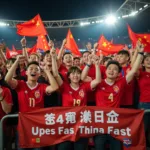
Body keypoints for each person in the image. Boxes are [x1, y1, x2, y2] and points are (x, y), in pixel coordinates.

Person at [81, 41, 144, 150]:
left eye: (115, 69)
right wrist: (91, 63)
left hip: (115, 124)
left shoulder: (121, 82)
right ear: (105, 71)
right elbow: (83, 77)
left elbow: (133, 70)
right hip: (100, 125)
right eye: (109, 68)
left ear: (118, 73)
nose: (111, 71)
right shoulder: (98, 82)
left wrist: (140, 54)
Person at [51, 49, 101, 150]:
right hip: (66, 125)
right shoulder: (64, 87)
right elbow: (56, 74)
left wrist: (96, 64)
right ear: (68, 76)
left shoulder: (84, 86)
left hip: (81, 125)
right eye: (72, 74)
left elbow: (98, 80)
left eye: (78, 73)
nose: (75, 75)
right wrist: (53, 57)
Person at [5, 56, 58, 150]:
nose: (33, 71)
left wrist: (46, 71)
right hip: (23, 126)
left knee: (37, 148)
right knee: (22, 147)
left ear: (39, 74)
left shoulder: (42, 86)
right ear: (26, 72)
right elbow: (7, 80)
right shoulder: (21, 84)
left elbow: (54, 87)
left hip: (37, 127)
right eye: (31, 69)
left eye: (36, 69)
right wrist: (17, 61)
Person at [137, 53, 150, 147]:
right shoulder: (140, 73)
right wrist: (139, 53)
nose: (149, 61)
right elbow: (134, 68)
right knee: (143, 129)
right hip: (144, 104)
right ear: (143, 62)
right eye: (147, 59)